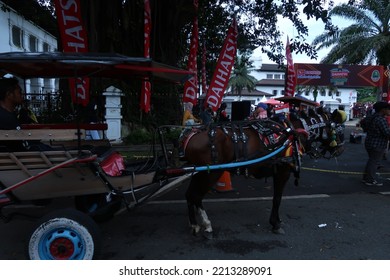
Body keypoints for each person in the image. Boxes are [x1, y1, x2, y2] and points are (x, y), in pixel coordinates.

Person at [362, 101, 390, 186]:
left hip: (369, 142)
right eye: (388, 109)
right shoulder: (380, 119)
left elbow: (363, 124)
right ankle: (370, 180)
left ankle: (366, 178)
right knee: (374, 162)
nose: (389, 111)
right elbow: (387, 133)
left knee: (371, 161)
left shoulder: (371, 117)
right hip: (378, 144)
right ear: (383, 110)